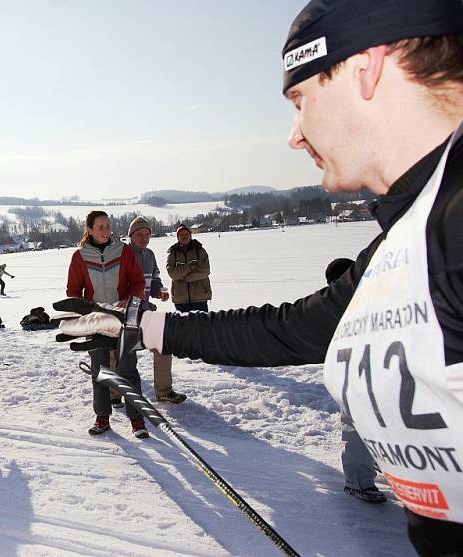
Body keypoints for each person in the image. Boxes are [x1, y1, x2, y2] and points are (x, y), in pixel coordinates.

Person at [58, 1, 463, 553]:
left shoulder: (451, 226)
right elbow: (292, 329)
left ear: (368, 69)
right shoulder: (417, 228)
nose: (295, 135)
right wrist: (141, 325)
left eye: (300, 100)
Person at [66, 210, 148, 438]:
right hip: (96, 321)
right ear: (89, 230)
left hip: (124, 319)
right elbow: (73, 291)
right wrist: (84, 311)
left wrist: (128, 302)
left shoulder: (123, 251)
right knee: (99, 371)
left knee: (128, 370)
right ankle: (102, 417)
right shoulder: (80, 256)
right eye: (100, 227)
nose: (105, 230)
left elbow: (138, 282)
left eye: (108, 226)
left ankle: (137, 420)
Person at [324, 257, 386, 504]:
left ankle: (382, 466)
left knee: (381, 424)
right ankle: (358, 481)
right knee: (357, 427)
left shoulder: (376, 297)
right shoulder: (336, 306)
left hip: (382, 373)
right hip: (354, 377)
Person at [127, 216, 186, 404]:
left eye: (147, 234)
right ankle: (114, 393)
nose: (144, 238)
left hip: (145, 310)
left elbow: (154, 279)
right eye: (139, 234)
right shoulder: (123, 254)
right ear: (131, 235)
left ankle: (163, 391)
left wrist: (159, 291)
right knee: (122, 352)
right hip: (125, 312)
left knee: (162, 344)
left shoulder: (150, 255)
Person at [166, 223, 212, 313]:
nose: (184, 237)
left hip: (200, 297)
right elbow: (172, 273)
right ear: (178, 237)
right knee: (183, 326)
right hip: (180, 299)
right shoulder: (173, 253)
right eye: (181, 235)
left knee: (202, 325)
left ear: (190, 235)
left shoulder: (200, 250)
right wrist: (189, 268)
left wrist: (186, 278)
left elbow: (205, 270)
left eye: (186, 234)